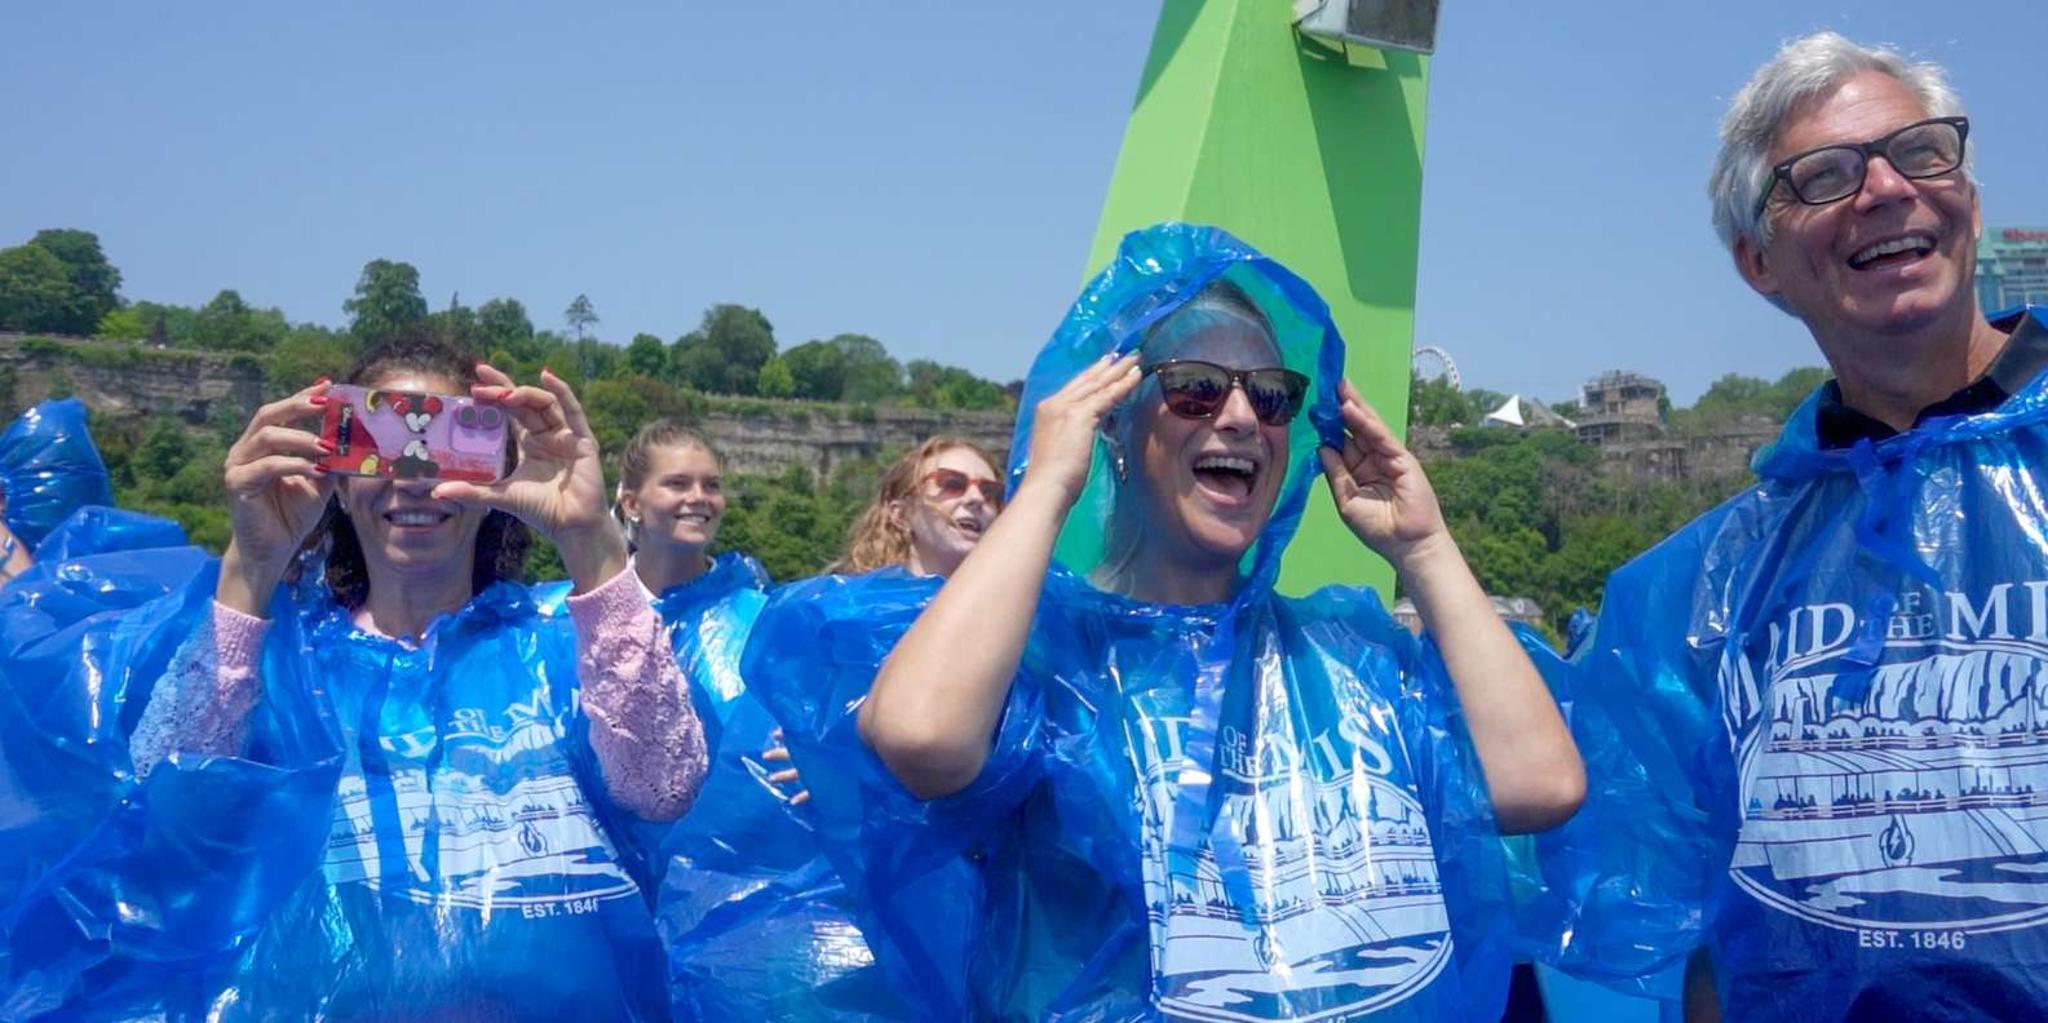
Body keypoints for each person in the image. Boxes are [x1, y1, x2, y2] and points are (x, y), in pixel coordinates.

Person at [752, 223, 1583, 1021]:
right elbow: (922, 736)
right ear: (1113, 420)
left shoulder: (1348, 659)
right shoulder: (1055, 660)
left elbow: (1539, 783)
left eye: (1271, 394)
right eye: (1194, 387)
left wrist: (1427, 547)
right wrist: (1044, 488)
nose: (1239, 416)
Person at [1525, 31, 2048, 1021]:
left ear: (1969, 204)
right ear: (1757, 263)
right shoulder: (1687, 603)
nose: (1886, 189)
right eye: (1823, 175)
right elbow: (1668, 921)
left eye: (1921, 152)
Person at [2, 328, 707, 1020]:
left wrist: (590, 539)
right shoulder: (279, 660)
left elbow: (663, 785)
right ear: (334, 477)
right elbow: (172, 816)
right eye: (380, 443)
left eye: (448, 443)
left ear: (493, 473)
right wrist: (252, 564)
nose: (414, 474)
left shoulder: (563, 644)